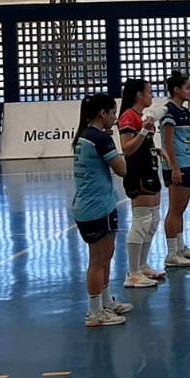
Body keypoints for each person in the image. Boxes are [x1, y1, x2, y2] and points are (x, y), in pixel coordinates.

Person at [73, 94, 133, 327]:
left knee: (106, 256)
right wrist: (115, 146)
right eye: (113, 113)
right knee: (98, 260)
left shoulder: (84, 136)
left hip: (93, 205)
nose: (115, 118)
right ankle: (94, 312)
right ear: (102, 113)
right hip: (96, 208)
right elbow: (122, 169)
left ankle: (106, 302)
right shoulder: (100, 139)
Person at [117, 79, 165, 288]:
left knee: (153, 220)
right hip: (138, 173)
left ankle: (143, 265)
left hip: (151, 169)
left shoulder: (143, 117)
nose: (151, 95)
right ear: (138, 94)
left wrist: (156, 150)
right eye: (149, 91)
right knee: (142, 220)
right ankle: (133, 273)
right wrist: (144, 130)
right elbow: (127, 148)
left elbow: (144, 144)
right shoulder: (129, 116)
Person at [159, 71, 190, 268]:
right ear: (176, 90)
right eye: (187, 87)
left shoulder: (184, 111)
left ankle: (180, 247)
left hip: (188, 163)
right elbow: (167, 143)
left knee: (181, 210)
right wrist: (174, 167)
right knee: (175, 210)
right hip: (177, 167)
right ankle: (172, 254)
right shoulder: (169, 112)